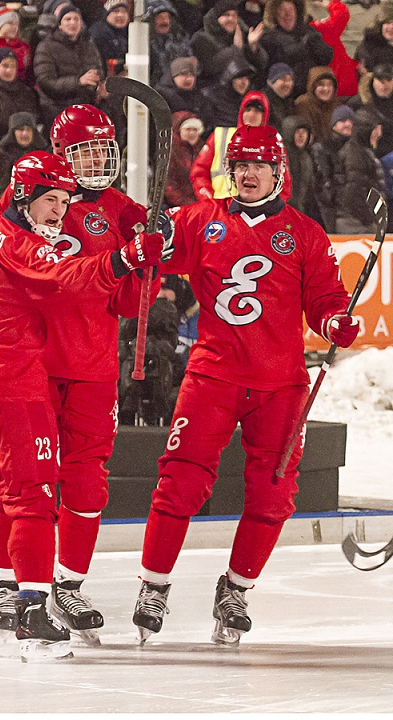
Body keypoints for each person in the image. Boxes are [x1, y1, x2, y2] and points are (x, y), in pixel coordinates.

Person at [0, 150, 163, 659]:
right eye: (51, 200)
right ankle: (30, 614)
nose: (59, 212)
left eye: (66, 202)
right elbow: (70, 279)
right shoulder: (23, 245)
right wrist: (126, 259)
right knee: (32, 497)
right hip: (11, 387)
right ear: (24, 197)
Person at [131, 123, 359, 646]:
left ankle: (235, 591)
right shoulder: (201, 218)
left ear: (279, 172)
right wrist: (151, 234)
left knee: (274, 493)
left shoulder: (304, 232)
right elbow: (158, 252)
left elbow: (325, 300)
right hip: (213, 376)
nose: (249, 173)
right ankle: (153, 586)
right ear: (229, 172)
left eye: (259, 165)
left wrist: (334, 322)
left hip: (280, 385)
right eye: (240, 166)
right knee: (180, 482)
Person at [0, 105, 161, 645]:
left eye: (103, 150)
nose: (96, 162)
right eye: (85, 152)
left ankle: (68, 584)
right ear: (61, 154)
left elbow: (132, 298)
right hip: (30, 362)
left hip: (90, 364)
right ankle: (10, 586)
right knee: (22, 479)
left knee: (87, 479)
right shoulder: (26, 193)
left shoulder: (121, 209)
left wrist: (151, 259)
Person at [33, 4, 104, 132]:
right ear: (60, 25)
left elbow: (99, 70)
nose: (73, 23)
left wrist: (99, 84)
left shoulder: (89, 46)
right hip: (56, 109)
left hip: (85, 107)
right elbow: (45, 82)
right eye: (68, 19)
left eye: (76, 19)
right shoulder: (46, 47)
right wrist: (78, 82)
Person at [261, 0, 334, 97]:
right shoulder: (268, 38)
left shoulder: (308, 32)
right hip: (285, 94)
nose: (287, 14)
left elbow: (327, 57)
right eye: (282, 10)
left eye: (291, 10)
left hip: (311, 93)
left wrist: (313, 40)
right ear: (274, 14)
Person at [190, 0, 267, 90]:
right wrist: (235, 49)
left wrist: (252, 46)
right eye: (226, 15)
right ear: (216, 18)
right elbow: (211, 67)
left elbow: (262, 64)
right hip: (216, 90)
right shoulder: (201, 38)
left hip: (245, 88)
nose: (231, 19)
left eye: (234, 15)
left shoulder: (243, 35)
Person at [333, 107, 386, 233]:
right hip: (355, 223)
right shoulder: (355, 154)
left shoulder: (363, 151)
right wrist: (368, 219)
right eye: (375, 129)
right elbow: (353, 191)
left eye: (380, 129)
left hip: (361, 220)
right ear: (365, 130)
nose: (379, 134)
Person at [310, 103, 354, 231]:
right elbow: (323, 181)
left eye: (351, 120)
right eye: (342, 120)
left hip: (351, 210)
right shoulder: (322, 148)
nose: (348, 124)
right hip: (331, 208)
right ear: (334, 125)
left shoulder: (358, 148)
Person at [309, 0, 359, 98]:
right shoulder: (318, 30)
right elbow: (342, 14)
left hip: (336, 88)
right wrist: (331, 4)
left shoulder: (314, 29)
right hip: (342, 89)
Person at [0, 111, 47, 191]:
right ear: (13, 132)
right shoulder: (2, 154)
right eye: (20, 129)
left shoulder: (43, 154)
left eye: (28, 130)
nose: (25, 133)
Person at [164, 112, 205, 207]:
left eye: (195, 130)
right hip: (177, 206)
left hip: (199, 203)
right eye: (188, 129)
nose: (192, 133)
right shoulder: (171, 151)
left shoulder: (203, 149)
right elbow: (168, 183)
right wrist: (186, 203)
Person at [294, 65, 338, 143]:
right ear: (312, 86)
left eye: (330, 84)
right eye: (321, 84)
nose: (326, 89)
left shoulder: (335, 104)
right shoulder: (303, 104)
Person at [89, 0, 130, 76]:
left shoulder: (131, 32)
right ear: (107, 14)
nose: (120, 15)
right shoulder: (98, 32)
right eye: (116, 11)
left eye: (124, 11)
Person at [261, 62, 295, 131]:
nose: (288, 84)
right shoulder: (263, 101)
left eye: (290, 80)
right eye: (283, 79)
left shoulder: (289, 102)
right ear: (272, 81)